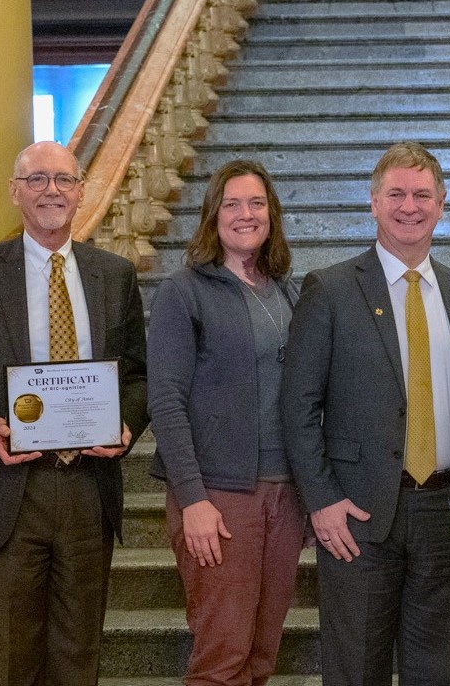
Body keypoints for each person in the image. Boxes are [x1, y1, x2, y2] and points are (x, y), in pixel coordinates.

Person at [0, 141, 149, 686]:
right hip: (5, 490)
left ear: (81, 192)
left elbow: (138, 376)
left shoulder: (113, 275)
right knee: (5, 662)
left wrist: (125, 424)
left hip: (88, 490)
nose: (52, 190)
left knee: (78, 658)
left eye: (64, 180)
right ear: (15, 192)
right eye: (38, 179)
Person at [281, 141, 450, 686]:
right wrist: (322, 500)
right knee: (357, 669)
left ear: (443, 204)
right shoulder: (329, 289)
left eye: (422, 194)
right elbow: (297, 405)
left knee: (435, 671)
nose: (410, 206)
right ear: (374, 203)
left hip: (447, 510)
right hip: (357, 515)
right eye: (396, 193)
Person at [146, 159, 304, 686]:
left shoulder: (286, 290)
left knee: (261, 656)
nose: (245, 214)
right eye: (232, 204)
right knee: (222, 658)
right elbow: (165, 399)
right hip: (219, 495)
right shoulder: (184, 291)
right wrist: (193, 499)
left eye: (257, 203)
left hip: (285, 494)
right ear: (213, 215)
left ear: (272, 214)